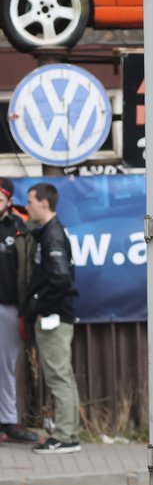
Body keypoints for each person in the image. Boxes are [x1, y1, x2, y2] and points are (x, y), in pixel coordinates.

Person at [23, 182, 81, 454]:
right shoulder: (47, 233)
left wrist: (42, 308)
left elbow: (60, 279)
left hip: (54, 318)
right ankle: (68, 434)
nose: (27, 206)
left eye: (31, 201)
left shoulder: (53, 235)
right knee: (63, 376)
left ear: (44, 203)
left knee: (59, 377)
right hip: (56, 315)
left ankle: (65, 437)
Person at [0, 179, 37, 444]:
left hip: (8, 308)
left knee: (5, 368)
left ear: (9, 201)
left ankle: (8, 422)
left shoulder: (19, 228)